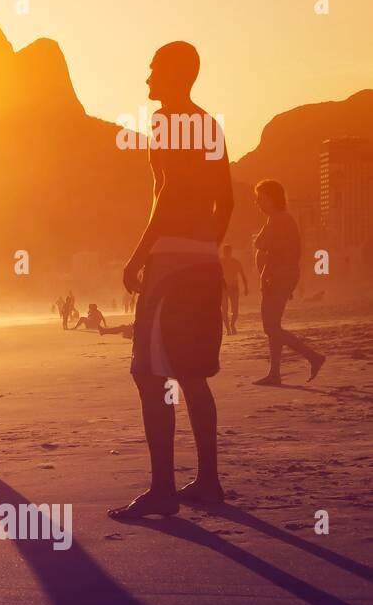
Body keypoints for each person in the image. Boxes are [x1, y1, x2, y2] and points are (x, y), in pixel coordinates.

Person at [112, 42, 233, 519]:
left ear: (177, 74)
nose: (147, 80)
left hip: (173, 264)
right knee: (192, 373)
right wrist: (207, 246)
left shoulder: (167, 123)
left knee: (148, 372)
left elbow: (167, 194)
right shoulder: (209, 124)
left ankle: (163, 489)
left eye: (154, 70)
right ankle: (208, 482)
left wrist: (137, 256)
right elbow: (225, 200)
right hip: (203, 261)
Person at [251, 179, 325, 385]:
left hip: (277, 275)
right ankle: (274, 373)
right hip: (283, 275)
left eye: (261, 198)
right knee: (274, 325)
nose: (257, 202)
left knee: (271, 327)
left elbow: (274, 253)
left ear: (273, 198)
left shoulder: (279, 220)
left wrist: (265, 277)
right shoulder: (276, 218)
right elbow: (262, 244)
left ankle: (313, 357)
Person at [219, 244, 248, 334]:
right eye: (225, 252)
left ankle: (232, 324)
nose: (227, 254)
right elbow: (215, 276)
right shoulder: (220, 262)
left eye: (228, 252)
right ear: (223, 252)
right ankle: (228, 329)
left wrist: (246, 287)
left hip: (234, 288)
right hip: (224, 288)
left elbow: (242, 275)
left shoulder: (236, 262)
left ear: (230, 252)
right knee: (224, 309)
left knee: (235, 309)